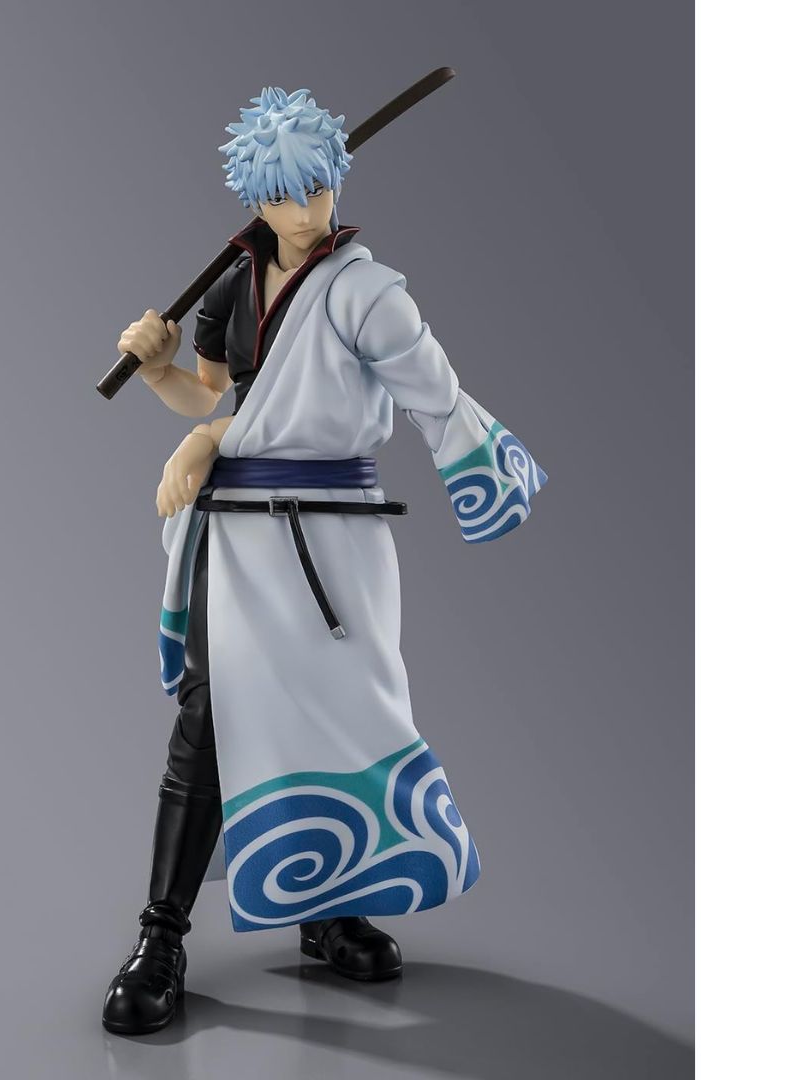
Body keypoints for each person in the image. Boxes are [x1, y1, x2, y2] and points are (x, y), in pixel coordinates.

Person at [102, 87, 547, 1036]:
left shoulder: (366, 291)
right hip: (242, 538)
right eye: (288, 193)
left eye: (320, 186)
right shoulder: (234, 284)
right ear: (257, 197)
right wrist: (161, 371)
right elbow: (214, 394)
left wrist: (480, 464)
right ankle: (160, 936)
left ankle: (329, 906)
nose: (308, 210)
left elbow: (431, 387)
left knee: (345, 708)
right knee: (213, 716)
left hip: (336, 536)